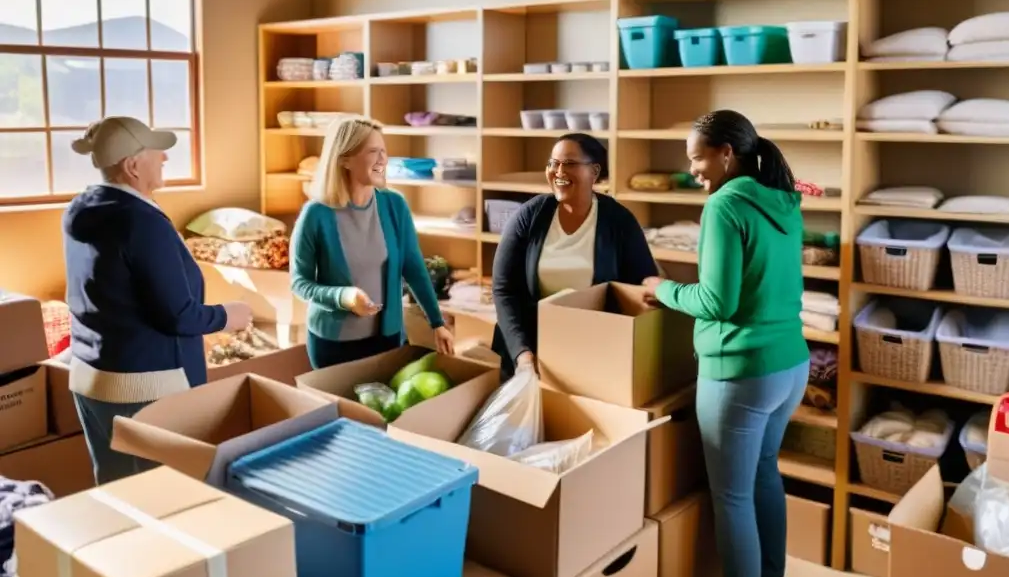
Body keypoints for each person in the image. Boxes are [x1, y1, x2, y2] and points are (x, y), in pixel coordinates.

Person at [641, 109, 809, 577]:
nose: (693, 170)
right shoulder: (783, 200)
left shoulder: (724, 204)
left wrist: (661, 289)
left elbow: (717, 300)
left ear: (726, 153)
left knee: (731, 499)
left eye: (697, 159)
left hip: (738, 372)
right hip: (790, 366)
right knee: (765, 475)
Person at [62, 117, 253, 485]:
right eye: (156, 152)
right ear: (133, 166)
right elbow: (178, 316)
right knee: (165, 495)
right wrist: (229, 315)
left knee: (118, 491)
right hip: (145, 388)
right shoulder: (142, 222)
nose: (165, 158)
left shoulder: (81, 208)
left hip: (91, 377)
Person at [290, 117, 454, 368]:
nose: (382, 160)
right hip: (333, 345)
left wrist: (437, 322)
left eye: (383, 151)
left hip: (386, 340)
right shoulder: (316, 214)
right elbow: (300, 284)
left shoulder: (394, 205)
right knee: (341, 408)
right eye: (372, 152)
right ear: (344, 159)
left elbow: (414, 268)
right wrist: (343, 296)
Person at [491, 132, 658, 378]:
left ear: (594, 171)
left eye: (569, 164)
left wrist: (660, 290)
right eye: (553, 163)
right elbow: (504, 289)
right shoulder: (530, 216)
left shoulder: (618, 220)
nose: (558, 171)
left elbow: (642, 279)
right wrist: (523, 355)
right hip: (530, 350)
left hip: (592, 349)